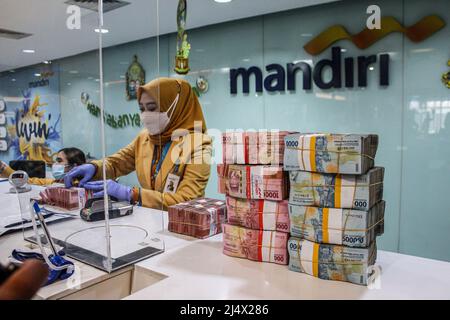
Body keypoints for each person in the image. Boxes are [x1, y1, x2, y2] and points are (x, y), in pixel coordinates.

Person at [64, 78, 212, 210]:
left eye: (152, 108)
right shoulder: (145, 138)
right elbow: (117, 163)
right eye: (142, 109)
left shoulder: (198, 145)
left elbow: (187, 200)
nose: (145, 116)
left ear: (176, 107)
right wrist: (94, 167)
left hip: (182, 227)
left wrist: (133, 194)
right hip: (149, 221)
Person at [0, 147, 86, 186]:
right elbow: (29, 181)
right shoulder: (56, 183)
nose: (55, 164)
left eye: (59, 161)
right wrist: (2, 167)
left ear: (74, 166)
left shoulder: (81, 186)